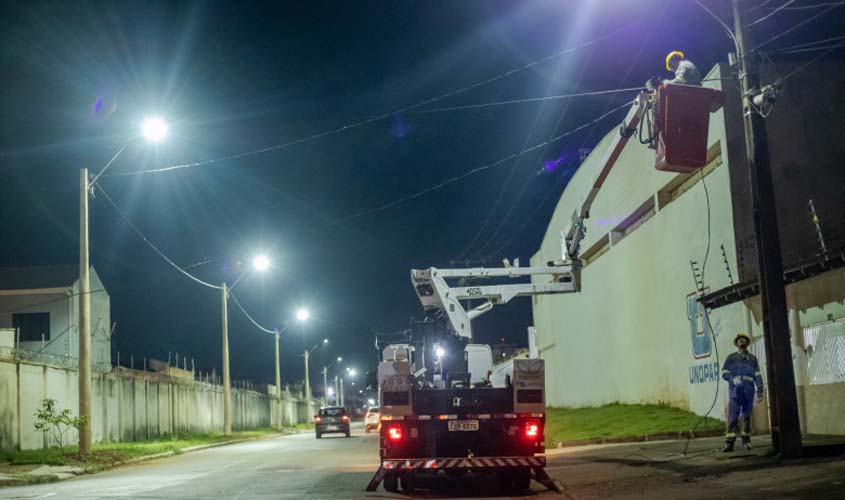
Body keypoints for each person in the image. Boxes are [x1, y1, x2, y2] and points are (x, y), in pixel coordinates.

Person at [721, 333, 764, 452]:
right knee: (733, 418)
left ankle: (746, 442)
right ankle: (729, 444)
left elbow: (758, 376)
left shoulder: (753, 359)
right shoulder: (731, 357)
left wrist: (760, 392)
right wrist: (732, 378)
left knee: (746, 418)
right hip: (735, 392)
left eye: (743, 339)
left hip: (748, 392)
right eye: (739, 340)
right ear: (736, 343)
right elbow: (724, 372)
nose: (741, 341)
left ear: (746, 343)